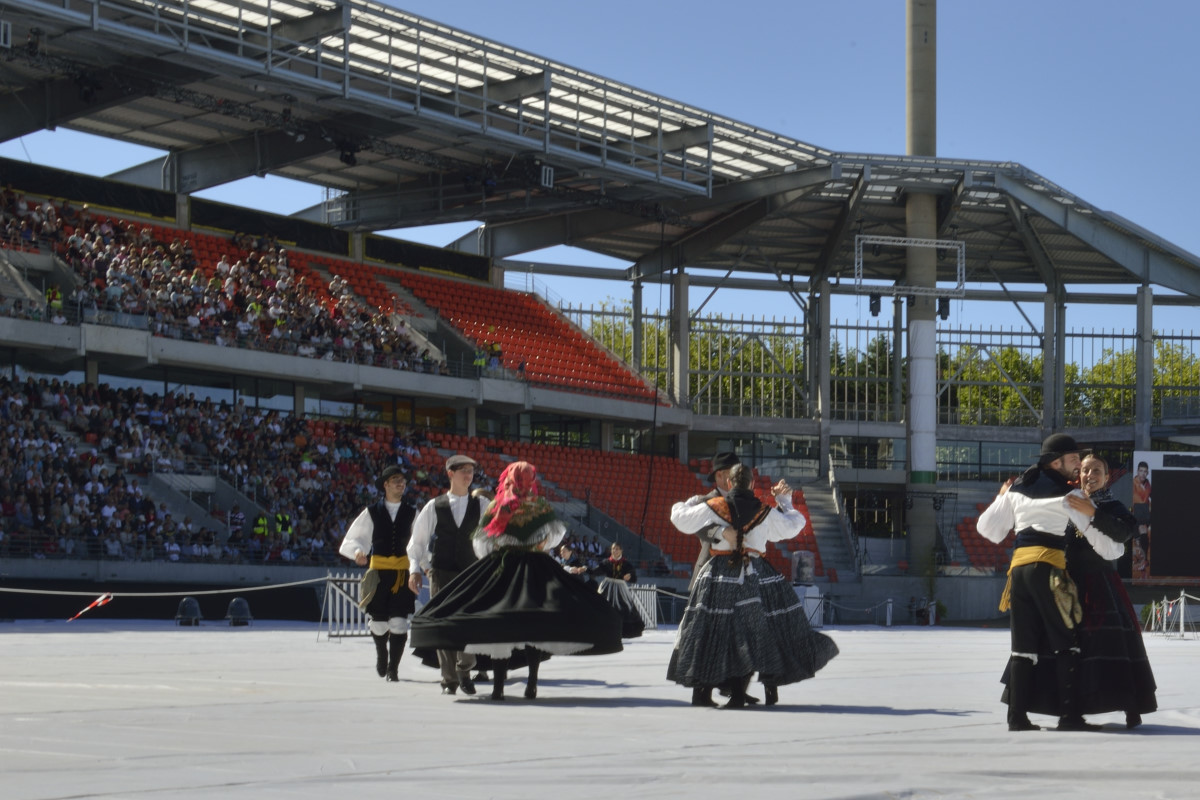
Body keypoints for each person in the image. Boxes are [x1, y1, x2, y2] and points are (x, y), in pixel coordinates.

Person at [410, 461, 623, 701]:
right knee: (533, 624)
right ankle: (531, 683)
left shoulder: (496, 506)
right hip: (535, 568)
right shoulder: (539, 505)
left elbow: (482, 543)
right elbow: (555, 536)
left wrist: (495, 554)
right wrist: (536, 544)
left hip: (505, 567)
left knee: (502, 625)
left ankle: (498, 687)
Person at [976, 434, 1124, 731]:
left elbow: (988, 529)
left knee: (1022, 648)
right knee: (1066, 643)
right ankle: (1070, 717)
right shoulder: (1071, 496)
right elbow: (1104, 545)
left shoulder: (1018, 487)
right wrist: (1116, 549)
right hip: (1049, 572)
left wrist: (1001, 497)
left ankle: (1016, 717)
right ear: (1056, 461)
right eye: (1073, 460)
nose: (1077, 466)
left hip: (1018, 572)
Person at [667, 464, 839, 708]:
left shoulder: (715, 506)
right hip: (754, 573)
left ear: (729, 484)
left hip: (717, 574)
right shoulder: (764, 512)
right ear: (751, 484)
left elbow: (678, 517)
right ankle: (738, 694)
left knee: (708, 630)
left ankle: (701, 693)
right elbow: (795, 524)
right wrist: (784, 500)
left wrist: (695, 500)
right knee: (747, 633)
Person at [1005, 454, 1158, 729]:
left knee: (1113, 646)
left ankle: (1130, 708)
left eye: (1096, 470)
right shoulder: (1064, 501)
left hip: (1101, 585)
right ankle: (1057, 710)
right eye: (1085, 470)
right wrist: (1010, 495)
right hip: (1063, 581)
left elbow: (1126, 532)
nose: (1090, 475)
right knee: (1053, 645)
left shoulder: (1112, 505)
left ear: (1107, 475)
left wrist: (1094, 514)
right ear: (1079, 474)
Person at [406, 454, 488, 696]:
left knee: (470, 623)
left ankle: (466, 666)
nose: (468, 475)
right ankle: (449, 679)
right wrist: (414, 569)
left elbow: (489, 540)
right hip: (440, 573)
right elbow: (417, 541)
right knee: (443, 626)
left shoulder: (482, 506)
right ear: (450, 474)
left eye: (471, 471)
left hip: (470, 573)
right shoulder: (435, 505)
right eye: (463, 470)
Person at [339, 465, 418, 682]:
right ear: (385, 484)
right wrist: (357, 552)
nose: (400, 484)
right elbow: (354, 538)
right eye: (395, 480)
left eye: (402, 480)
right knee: (379, 623)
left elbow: (419, 543)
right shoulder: (371, 512)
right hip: (379, 574)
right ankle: (382, 654)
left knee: (400, 623)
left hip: (402, 574)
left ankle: (393, 668)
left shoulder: (413, 513)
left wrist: (418, 567)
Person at [671, 451, 740, 592]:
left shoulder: (743, 501)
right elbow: (699, 526)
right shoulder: (706, 501)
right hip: (711, 570)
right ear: (720, 475)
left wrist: (782, 504)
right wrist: (722, 532)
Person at [591, 543, 645, 639]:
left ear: (621, 551)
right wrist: (585, 569)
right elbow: (596, 571)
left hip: (621, 588)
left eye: (617, 549)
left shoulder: (626, 564)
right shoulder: (607, 562)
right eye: (613, 549)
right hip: (607, 587)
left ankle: (622, 631)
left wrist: (629, 576)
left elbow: (633, 577)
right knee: (603, 606)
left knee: (624, 607)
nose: (615, 551)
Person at [1130, 460, 1151, 578]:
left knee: (1143, 536)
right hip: (1136, 515)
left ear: (1147, 473)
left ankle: (1144, 563)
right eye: (1141, 471)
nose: (1142, 473)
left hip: (1145, 515)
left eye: (1145, 471)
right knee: (1139, 541)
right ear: (1137, 471)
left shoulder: (1148, 484)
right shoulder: (1133, 483)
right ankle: (1143, 563)